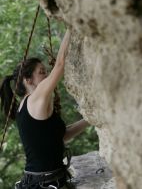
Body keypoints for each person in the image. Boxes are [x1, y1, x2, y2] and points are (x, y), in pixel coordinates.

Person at [0, 29, 89, 189]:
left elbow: (60, 137)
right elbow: (60, 65)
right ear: (28, 81)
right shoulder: (34, 99)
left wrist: (91, 119)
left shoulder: (25, 106)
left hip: (42, 181)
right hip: (44, 183)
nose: (46, 76)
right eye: (42, 72)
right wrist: (70, 27)